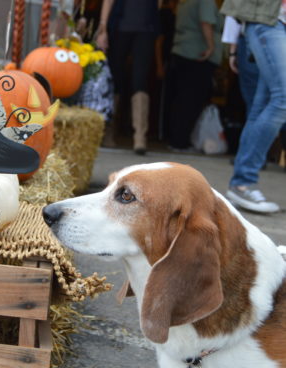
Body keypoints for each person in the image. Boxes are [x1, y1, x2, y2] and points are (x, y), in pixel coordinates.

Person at [221, 0, 285, 213]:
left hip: (276, 23)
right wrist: (232, 47)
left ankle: (241, 184)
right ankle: (243, 181)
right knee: (282, 99)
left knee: (263, 104)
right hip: (267, 20)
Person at [95, 0, 160, 155]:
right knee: (115, 79)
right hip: (119, 27)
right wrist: (103, 28)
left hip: (145, 29)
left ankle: (139, 136)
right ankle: (109, 131)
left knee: (140, 79)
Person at [165, 0, 222, 151]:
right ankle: (180, 141)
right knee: (191, 100)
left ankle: (176, 139)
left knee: (182, 98)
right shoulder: (206, 1)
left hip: (182, 51)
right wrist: (211, 46)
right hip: (198, 54)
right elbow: (206, 22)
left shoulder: (184, 2)